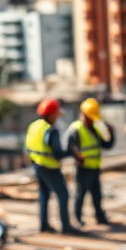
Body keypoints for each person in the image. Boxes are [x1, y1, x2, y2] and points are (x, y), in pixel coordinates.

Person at [26, 98, 80, 234]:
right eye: (56, 114)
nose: (57, 117)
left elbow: (28, 147)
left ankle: (43, 225)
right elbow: (57, 153)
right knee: (63, 194)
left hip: (37, 165)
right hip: (50, 168)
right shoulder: (51, 131)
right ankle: (66, 226)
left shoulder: (34, 126)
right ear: (51, 114)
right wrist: (71, 151)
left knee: (44, 194)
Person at [67, 98, 115, 226]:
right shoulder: (76, 129)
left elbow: (107, 145)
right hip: (82, 168)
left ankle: (100, 216)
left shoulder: (95, 128)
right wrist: (78, 157)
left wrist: (111, 134)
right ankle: (77, 218)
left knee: (97, 195)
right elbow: (70, 147)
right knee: (80, 194)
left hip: (94, 167)